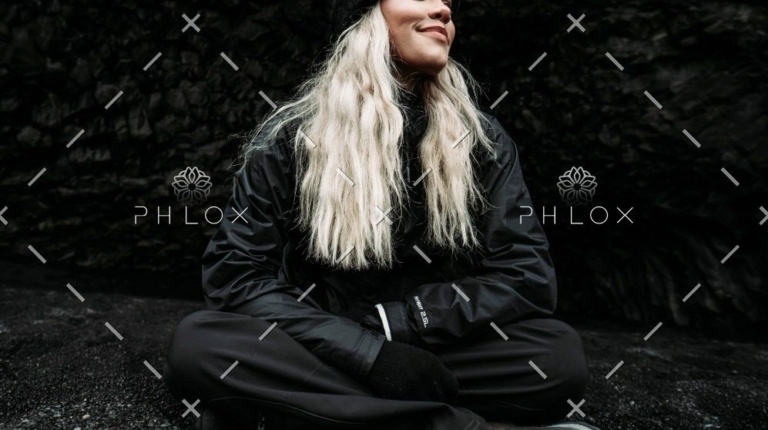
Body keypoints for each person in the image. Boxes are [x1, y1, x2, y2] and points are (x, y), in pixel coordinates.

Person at [162, 1, 598, 429]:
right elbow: (236, 275)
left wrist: (400, 324)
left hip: (432, 349)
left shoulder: (482, 140)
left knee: (555, 359)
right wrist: (368, 355)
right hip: (318, 344)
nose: (444, 10)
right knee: (201, 345)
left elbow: (526, 274)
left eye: (448, 2)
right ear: (363, 17)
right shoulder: (290, 138)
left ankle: (286, 412)